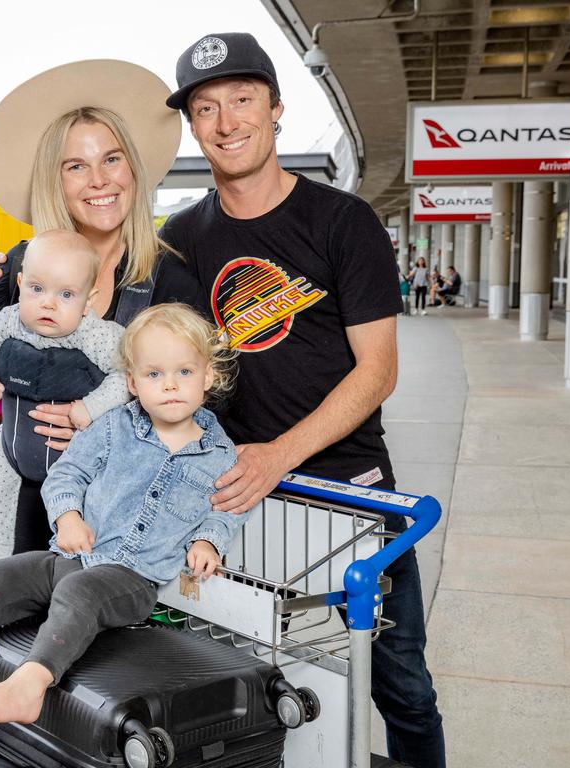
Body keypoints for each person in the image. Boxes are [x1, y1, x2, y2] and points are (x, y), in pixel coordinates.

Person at [158, 32, 446, 768]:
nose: (226, 122)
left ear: (276, 108)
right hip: (237, 504)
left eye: (243, 100)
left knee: (400, 686)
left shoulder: (343, 222)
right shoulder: (182, 240)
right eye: (206, 107)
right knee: (253, 686)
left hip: (349, 496)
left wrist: (279, 455)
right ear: (192, 124)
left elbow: (376, 371)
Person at [0, 303, 243, 725]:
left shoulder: (220, 455)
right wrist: (68, 518)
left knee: (81, 593)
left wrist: (207, 541)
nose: (169, 385)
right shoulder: (113, 427)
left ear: (209, 376)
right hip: (67, 559)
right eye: (154, 374)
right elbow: (66, 475)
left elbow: (225, 511)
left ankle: (30, 685)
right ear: (132, 381)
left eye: (184, 372)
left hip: (129, 580)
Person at [0, 60, 204, 557]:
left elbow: (201, 394)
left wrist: (98, 415)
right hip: (23, 511)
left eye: (112, 159)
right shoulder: (24, 264)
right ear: (57, 181)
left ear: (134, 168)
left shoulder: (169, 278)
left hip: (122, 520)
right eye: (76, 166)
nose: (98, 180)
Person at [0, 230, 129, 585]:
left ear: (88, 300)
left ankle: (93, 566)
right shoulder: (9, 319)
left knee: (89, 506)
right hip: (12, 445)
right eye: (37, 289)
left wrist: (91, 406)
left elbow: (128, 376)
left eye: (66, 294)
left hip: (77, 456)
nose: (48, 303)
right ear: (19, 284)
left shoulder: (96, 334)